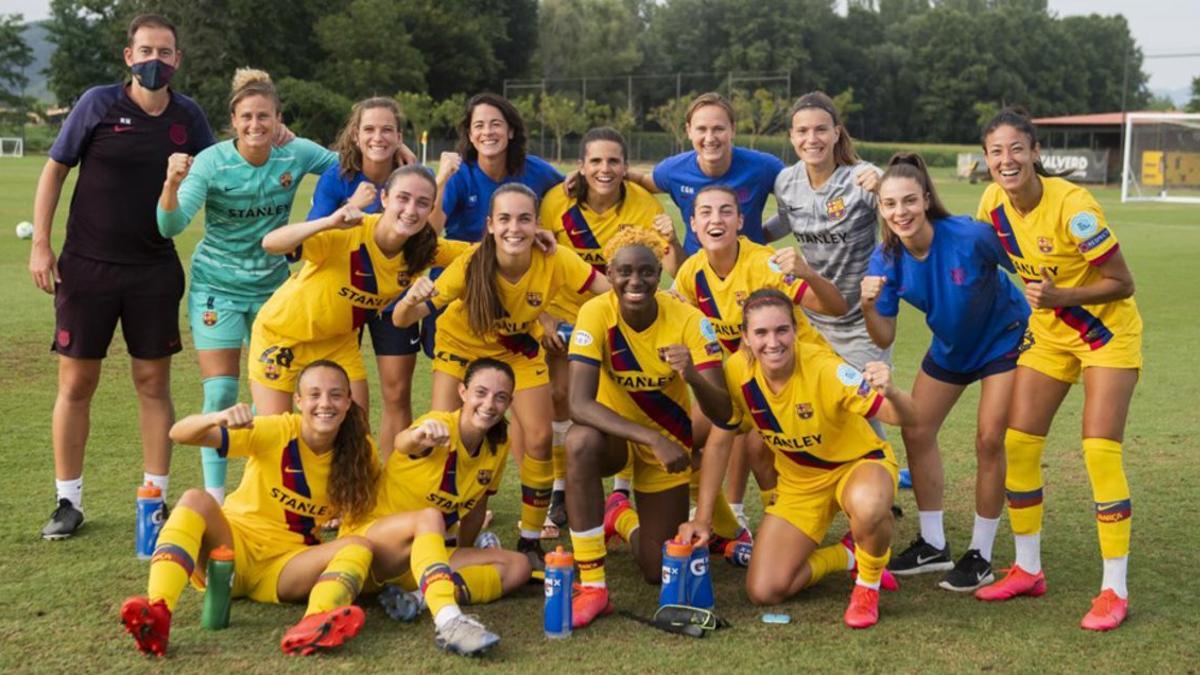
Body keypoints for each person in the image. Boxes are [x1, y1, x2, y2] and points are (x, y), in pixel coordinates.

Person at [30, 14, 216, 539]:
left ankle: (152, 499)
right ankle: (68, 502)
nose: (155, 61)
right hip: (86, 268)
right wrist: (42, 245)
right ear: (128, 56)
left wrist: (274, 136)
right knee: (76, 382)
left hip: (154, 269)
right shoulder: (97, 103)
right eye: (146, 51)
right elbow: (55, 170)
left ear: (177, 60)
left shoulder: (189, 116)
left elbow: (221, 170)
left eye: (166, 52)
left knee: (153, 383)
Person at [972, 108, 1142, 632]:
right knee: (1018, 443)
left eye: (1017, 149)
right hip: (1050, 337)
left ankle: (1115, 588)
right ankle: (1028, 568)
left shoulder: (1075, 207)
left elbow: (1123, 281)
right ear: (987, 159)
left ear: (1036, 153)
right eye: (997, 151)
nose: (1007, 160)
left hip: (1105, 335)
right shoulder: (992, 204)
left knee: (1098, 450)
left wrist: (1062, 295)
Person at [394, 183, 610, 567]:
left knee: (541, 437)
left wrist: (657, 301)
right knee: (444, 439)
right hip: (461, 348)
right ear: (491, 225)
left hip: (516, 350)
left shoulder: (556, 258)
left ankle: (529, 539)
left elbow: (607, 292)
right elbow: (402, 319)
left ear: (537, 224)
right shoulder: (470, 264)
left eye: (524, 219)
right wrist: (410, 300)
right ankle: (435, 529)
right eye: (505, 219)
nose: (515, 228)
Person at [681, 289, 917, 629]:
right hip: (800, 483)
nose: (772, 342)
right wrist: (703, 519)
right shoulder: (737, 372)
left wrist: (892, 391)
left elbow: (903, 417)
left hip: (857, 465)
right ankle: (848, 555)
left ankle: (868, 585)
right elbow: (720, 443)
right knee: (765, 589)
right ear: (745, 338)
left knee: (869, 505)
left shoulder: (824, 366)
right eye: (760, 333)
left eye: (781, 330)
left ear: (795, 330)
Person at [156, 69, 338, 503]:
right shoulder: (211, 162)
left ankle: (269, 490)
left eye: (264, 117)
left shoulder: (294, 154)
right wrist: (171, 184)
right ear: (233, 122)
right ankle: (216, 498)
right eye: (246, 118)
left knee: (273, 398)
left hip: (274, 291)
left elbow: (350, 164)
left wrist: (400, 152)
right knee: (220, 391)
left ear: (279, 120)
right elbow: (170, 225)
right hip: (217, 286)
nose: (255, 126)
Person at [120, 361, 380, 656]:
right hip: (228, 549)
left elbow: (366, 513)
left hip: (285, 566)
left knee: (359, 545)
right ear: (298, 401)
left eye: (335, 395)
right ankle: (158, 611)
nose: (325, 403)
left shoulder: (362, 450)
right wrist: (216, 418)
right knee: (195, 498)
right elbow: (178, 433)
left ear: (348, 402)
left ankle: (314, 623)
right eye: (314, 394)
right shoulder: (275, 430)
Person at [860, 153, 1029, 591]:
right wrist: (866, 301)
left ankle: (981, 554)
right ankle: (933, 544)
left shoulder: (970, 236)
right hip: (951, 348)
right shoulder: (886, 259)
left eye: (909, 201)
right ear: (881, 209)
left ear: (926, 198)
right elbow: (881, 335)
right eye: (891, 204)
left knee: (990, 438)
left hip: (1003, 338)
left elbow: (1026, 268)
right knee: (916, 429)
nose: (901, 212)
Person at [564, 227, 733, 628]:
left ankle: (619, 516)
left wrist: (691, 373)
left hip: (669, 448)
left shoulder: (691, 320)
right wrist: (650, 437)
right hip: (618, 438)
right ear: (610, 272)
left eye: (645, 272)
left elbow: (724, 412)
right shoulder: (596, 312)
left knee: (658, 569)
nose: (635, 281)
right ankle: (592, 585)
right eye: (624, 272)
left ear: (660, 273)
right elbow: (577, 404)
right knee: (578, 443)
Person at [673, 185, 847, 524]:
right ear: (693, 224)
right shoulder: (690, 273)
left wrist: (808, 273)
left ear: (740, 221)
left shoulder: (765, 264)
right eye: (706, 212)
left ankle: (780, 519)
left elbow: (835, 306)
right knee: (682, 436)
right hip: (751, 377)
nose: (716, 219)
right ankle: (726, 523)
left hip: (800, 373)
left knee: (754, 445)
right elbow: (676, 313)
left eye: (725, 211)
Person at [338, 358, 531, 655]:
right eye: (481, 392)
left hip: (425, 559)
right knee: (429, 518)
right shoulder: (437, 427)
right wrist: (418, 434)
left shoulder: (498, 443)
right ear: (463, 392)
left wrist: (471, 551)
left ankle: (418, 598)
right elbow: (404, 443)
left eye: (500, 397)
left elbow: (479, 504)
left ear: (510, 403)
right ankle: (449, 621)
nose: (489, 404)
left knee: (519, 567)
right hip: (375, 549)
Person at [537, 126, 678, 530]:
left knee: (630, 395)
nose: (604, 168)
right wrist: (544, 317)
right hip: (564, 316)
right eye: (595, 161)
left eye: (613, 160)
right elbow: (538, 262)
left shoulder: (643, 204)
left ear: (626, 166)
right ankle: (559, 488)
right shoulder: (555, 203)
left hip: (620, 316)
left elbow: (665, 268)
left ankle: (622, 489)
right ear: (580, 166)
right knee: (562, 395)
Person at [250, 165, 467, 416]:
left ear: (430, 210)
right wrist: (328, 222)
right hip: (282, 334)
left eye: (422, 203)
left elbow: (477, 252)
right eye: (403, 198)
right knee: (278, 434)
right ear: (384, 198)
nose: (410, 210)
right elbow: (271, 243)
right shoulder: (350, 230)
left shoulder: (424, 248)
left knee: (356, 434)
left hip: (338, 342)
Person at [765, 92, 889, 439]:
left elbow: (904, 216)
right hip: (814, 315)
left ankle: (882, 477)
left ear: (837, 132)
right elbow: (787, 221)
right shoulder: (786, 181)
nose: (811, 139)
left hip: (863, 317)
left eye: (821, 129)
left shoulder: (863, 178)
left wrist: (884, 189)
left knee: (865, 403)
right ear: (791, 136)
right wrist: (749, 238)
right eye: (802, 131)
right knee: (821, 401)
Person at [305, 97, 419, 456]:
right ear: (355, 135)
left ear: (399, 136)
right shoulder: (337, 178)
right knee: (344, 397)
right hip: (343, 297)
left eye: (387, 129)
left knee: (397, 393)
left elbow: (431, 231)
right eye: (369, 129)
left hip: (395, 296)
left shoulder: (412, 177)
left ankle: (393, 482)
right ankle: (347, 483)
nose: (378, 137)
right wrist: (351, 204)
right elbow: (312, 235)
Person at [622, 92, 785, 256]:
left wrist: (762, 235)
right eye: (701, 129)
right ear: (689, 131)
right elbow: (643, 181)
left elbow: (799, 196)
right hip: (697, 271)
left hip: (751, 271)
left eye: (718, 129)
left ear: (733, 129)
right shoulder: (673, 170)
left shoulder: (763, 167)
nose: (710, 138)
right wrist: (611, 172)